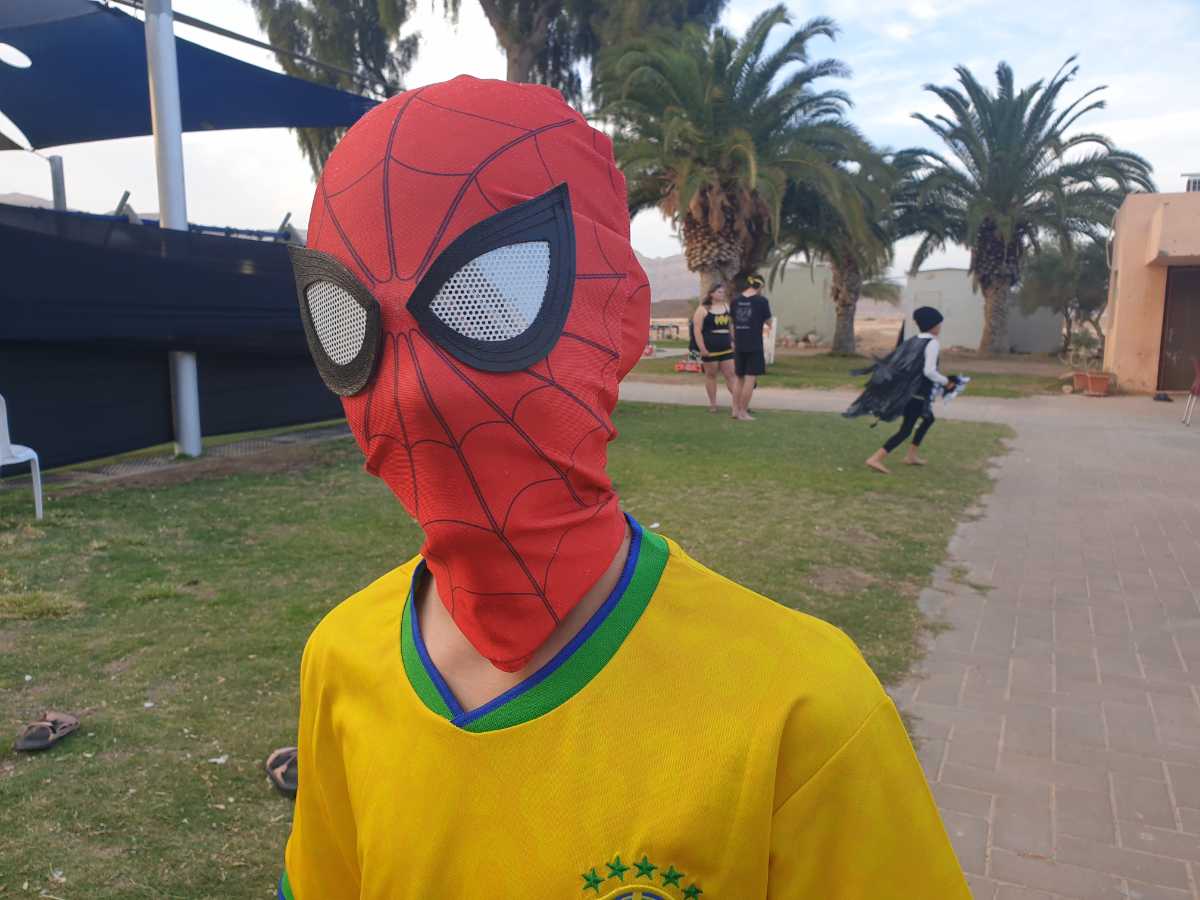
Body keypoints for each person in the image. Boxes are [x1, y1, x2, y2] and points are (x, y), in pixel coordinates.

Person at [277, 76, 970, 899]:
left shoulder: (803, 715)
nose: (415, 392)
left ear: (616, 310)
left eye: (486, 302)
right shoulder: (340, 659)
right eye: (348, 324)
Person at [851, 306, 959, 475]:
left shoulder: (913, 340)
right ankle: (875, 458)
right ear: (932, 324)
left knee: (928, 419)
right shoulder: (932, 343)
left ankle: (911, 456)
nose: (940, 326)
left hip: (909, 392)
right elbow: (929, 371)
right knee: (906, 430)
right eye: (938, 323)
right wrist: (946, 382)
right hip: (917, 393)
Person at [730, 272, 772, 420]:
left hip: (739, 344)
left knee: (739, 378)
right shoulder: (762, 301)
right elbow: (769, 323)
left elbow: (732, 324)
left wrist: (734, 341)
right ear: (760, 286)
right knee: (750, 379)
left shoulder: (735, 301)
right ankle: (743, 412)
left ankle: (735, 410)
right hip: (754, 344)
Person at [691, 283, 737, 413]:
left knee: (731, 375)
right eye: (719, 292)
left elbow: (730, 326)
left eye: (723, 292)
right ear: (711, 294)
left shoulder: (726, 307)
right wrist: (702, 348)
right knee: (711, 375)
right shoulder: (703, 309)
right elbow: (697, 330)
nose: (722, 294)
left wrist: (734, 341)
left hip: (726, 346)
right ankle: (713, 404)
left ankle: (738, 402)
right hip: (710, 348)